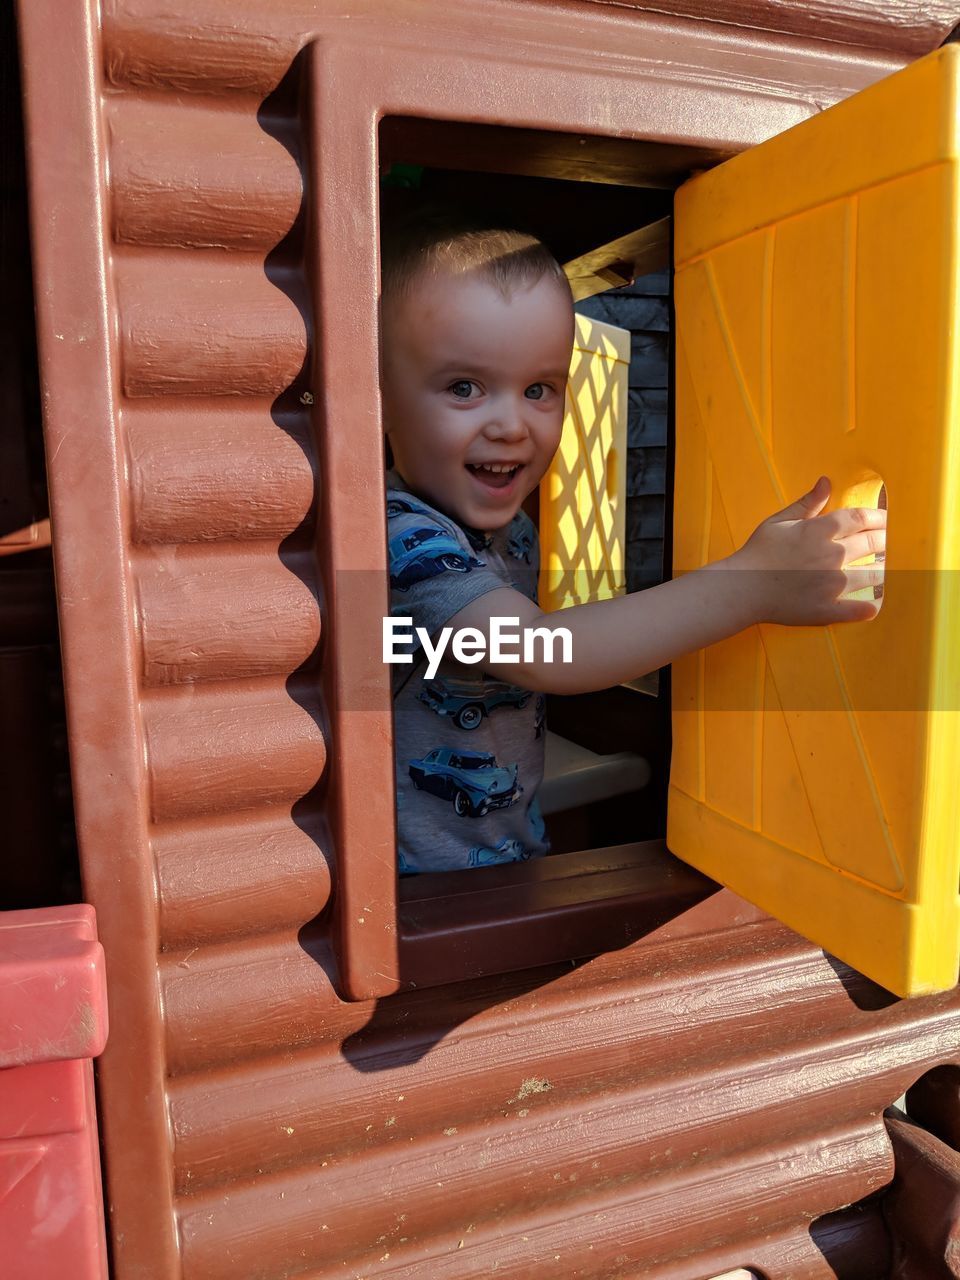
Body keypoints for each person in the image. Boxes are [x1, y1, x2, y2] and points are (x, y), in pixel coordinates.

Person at [379, 213, 886, 875]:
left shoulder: (507, 526)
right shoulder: (404, 537)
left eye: (539, 389)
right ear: (380, 400)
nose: (510, 425)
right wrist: (752, 584)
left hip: (499, 856)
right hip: (414, 891)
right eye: (464, 388)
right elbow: (541, 655)